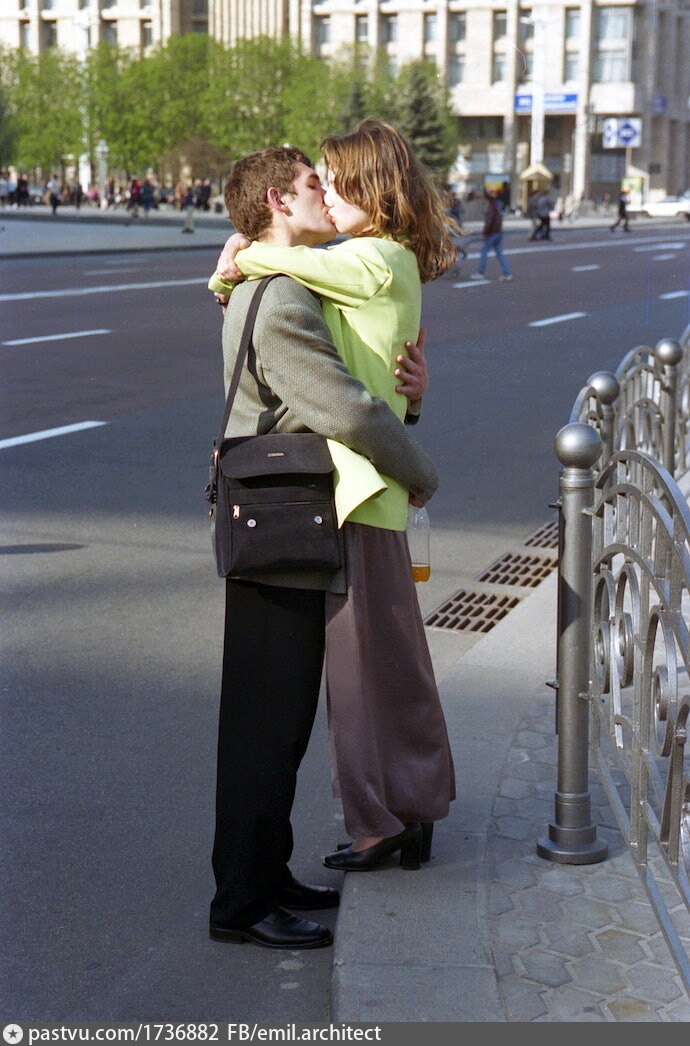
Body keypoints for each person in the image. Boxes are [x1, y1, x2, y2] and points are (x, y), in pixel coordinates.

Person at [207, 144, 441, 950]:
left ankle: (265, 875)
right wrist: (420, 470)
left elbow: (370, 382)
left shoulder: (282, 285)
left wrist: (410, 392)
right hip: (278, 525)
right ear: (279, 200)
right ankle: (241, 902)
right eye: (314, 185)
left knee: (279, 721)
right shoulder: (280, 299)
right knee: (263, 726)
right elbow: (345, 408)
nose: (326, 195)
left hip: (286, 521)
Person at [470, 188, 513, 281]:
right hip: (499, 232)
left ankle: (480, 272)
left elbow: (489, 221)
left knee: (484, 251)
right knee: (499, 253)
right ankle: (507, 273)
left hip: (492, 233)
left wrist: (485, 233)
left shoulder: (491, 207)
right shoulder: (498, 205)